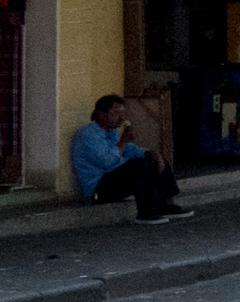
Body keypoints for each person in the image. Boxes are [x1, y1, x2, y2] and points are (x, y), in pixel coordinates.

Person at [73, 95, 193, 223]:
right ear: (101, 114)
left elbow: (129, 149)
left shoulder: (112, 132)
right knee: (137, 167)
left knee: (153, 160)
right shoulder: (88, 135)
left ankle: (166, 204)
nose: (121, 118)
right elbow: (106, 162)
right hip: (99, 188)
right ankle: (146, 212)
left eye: (123, 113)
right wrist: (123, 141)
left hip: (115, 178)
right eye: (116, 113)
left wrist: (149, 153)